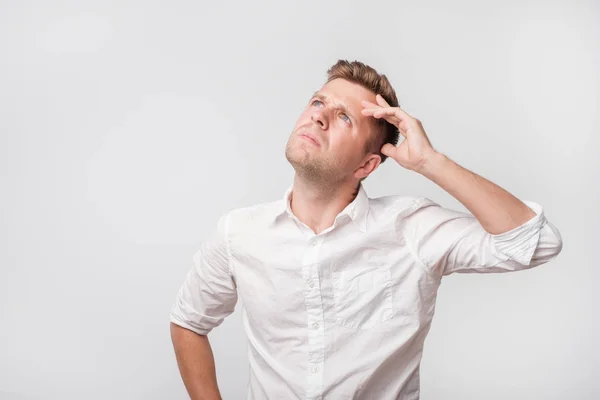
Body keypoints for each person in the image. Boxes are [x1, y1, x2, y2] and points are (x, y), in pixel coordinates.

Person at [169, 59, 563, 400]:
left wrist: (430, 162)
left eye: (344, 117)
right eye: (318, 101)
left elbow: (535, 241)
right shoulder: (239, 233)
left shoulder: (412, 228)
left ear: (366, 166)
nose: (318, 115)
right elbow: (189, 322)